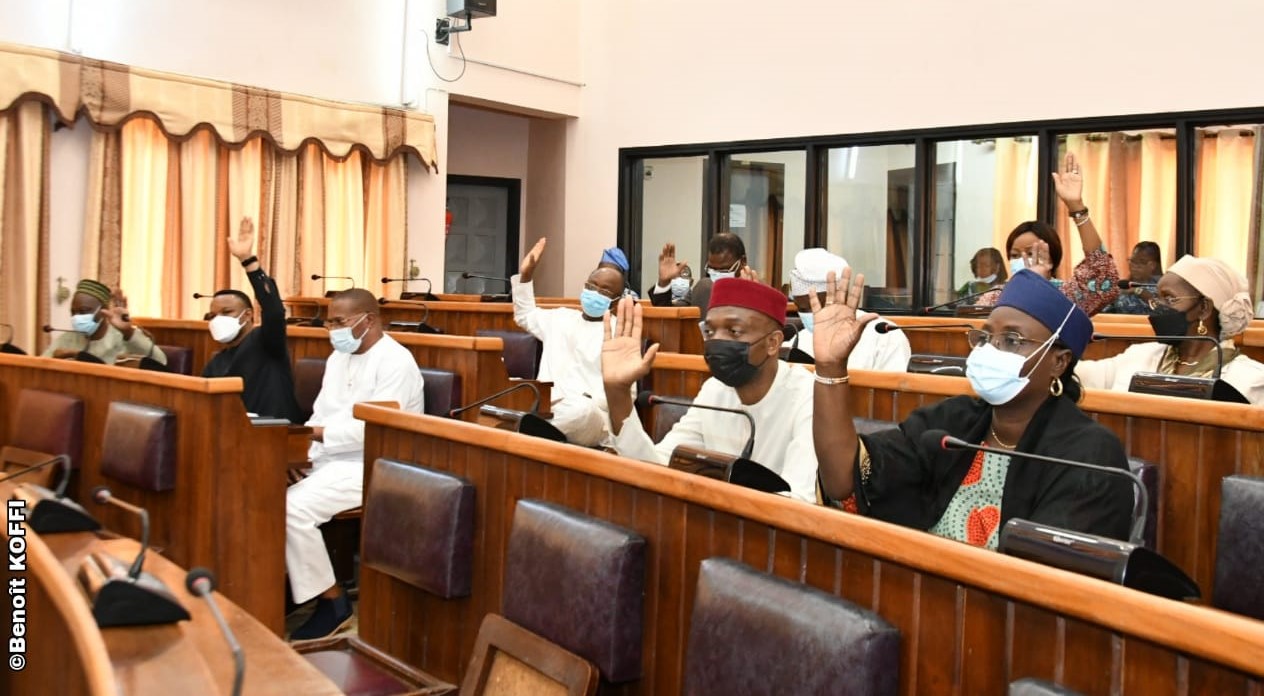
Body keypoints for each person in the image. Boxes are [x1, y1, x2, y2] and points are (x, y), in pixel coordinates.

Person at [812, 268, 1134, 547]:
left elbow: (1047, 579)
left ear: (1058, 362)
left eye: (1011, 340)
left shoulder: (1090, 455)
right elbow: (846, 482)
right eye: (985, 337)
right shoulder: (951, 423)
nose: (990, 350)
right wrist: (830, 367)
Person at [602, 278, 820, 502]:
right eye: (710, 331)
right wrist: (618, 394)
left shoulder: (808, 395)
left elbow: (798, 499)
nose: (717, 341)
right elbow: (657, 466)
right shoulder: (714, 390)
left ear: (773, 343)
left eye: (733, 331)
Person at [287, 288, 424, 640]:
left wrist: (317, 437)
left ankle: (332, 602)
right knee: (262, 486)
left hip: (376, 462)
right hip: (330, 459)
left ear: (369, 320)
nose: (331, 329)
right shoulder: (338, 358)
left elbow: (374, 428)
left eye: (339, 322)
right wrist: (303, 457)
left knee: (291, 509)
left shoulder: (396, 361)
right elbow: (322, 413)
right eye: (328, 322)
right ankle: (292, 590)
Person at [1077, 256, 1264, 405]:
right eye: (1157, 298)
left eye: (1169, 298)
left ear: (1204, 308)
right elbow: (1080, 375)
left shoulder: (1251, 379)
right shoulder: (1141, 355)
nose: (1157, 307)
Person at [512, 237, 627, 446]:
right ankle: (533, 430)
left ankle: (524, 432)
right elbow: (524, 315)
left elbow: (626, 394)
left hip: (591, 417)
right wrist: (526, 275)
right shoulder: (561, 318)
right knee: (514, 392)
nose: (595, 293)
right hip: (547, 407)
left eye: (604, 291)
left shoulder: (620, 333)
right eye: (591, 286)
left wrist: (586, 399)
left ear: (615, 301)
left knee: (583, 411)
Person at [975, 153, 1119, 317]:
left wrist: (1076, 207)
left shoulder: (1065, 296)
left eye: (1031, 253)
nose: (1022, 260)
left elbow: (1102, 276)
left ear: (1052, 258)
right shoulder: (996, 296)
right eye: (1015, 255)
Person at [202, 217, 303, 423]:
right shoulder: (216, 362)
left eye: (226, 312)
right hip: (235, 433)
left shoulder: (265, 342)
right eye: (213, 316)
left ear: (247, 314)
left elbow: (274, 311)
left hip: (274, 430)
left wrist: (249, 261)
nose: (218, 319)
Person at [783, 249, 910, 371]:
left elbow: (895, 389)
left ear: (841, 297)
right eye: (803, 308)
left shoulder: (885, 336)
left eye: (819, 306)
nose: (811, 314)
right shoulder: (799, 340)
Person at [43, 280, 167, 366]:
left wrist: (128, 333)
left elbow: (160, 361)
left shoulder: (122, 337)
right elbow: (41, 364)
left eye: (83, 311)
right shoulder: (68, 338)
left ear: (103, 311)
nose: (77, 317)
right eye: (73, 312)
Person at [650, 233, 747, 309]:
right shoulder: (703, 291)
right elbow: (671, 318)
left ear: (742, 262)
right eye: (712, 269)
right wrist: (664, 283)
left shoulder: (757, 293)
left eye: (724, 270)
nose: (717, 274)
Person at [1104, 242, 1163, 315]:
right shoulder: (1123, 285)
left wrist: (1138, 291)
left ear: (1152, 265)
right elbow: (1102, 313)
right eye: (1132, 261)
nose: (1134, 266)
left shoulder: (1162, 287)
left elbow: (1164, 310)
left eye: (1141, 262)